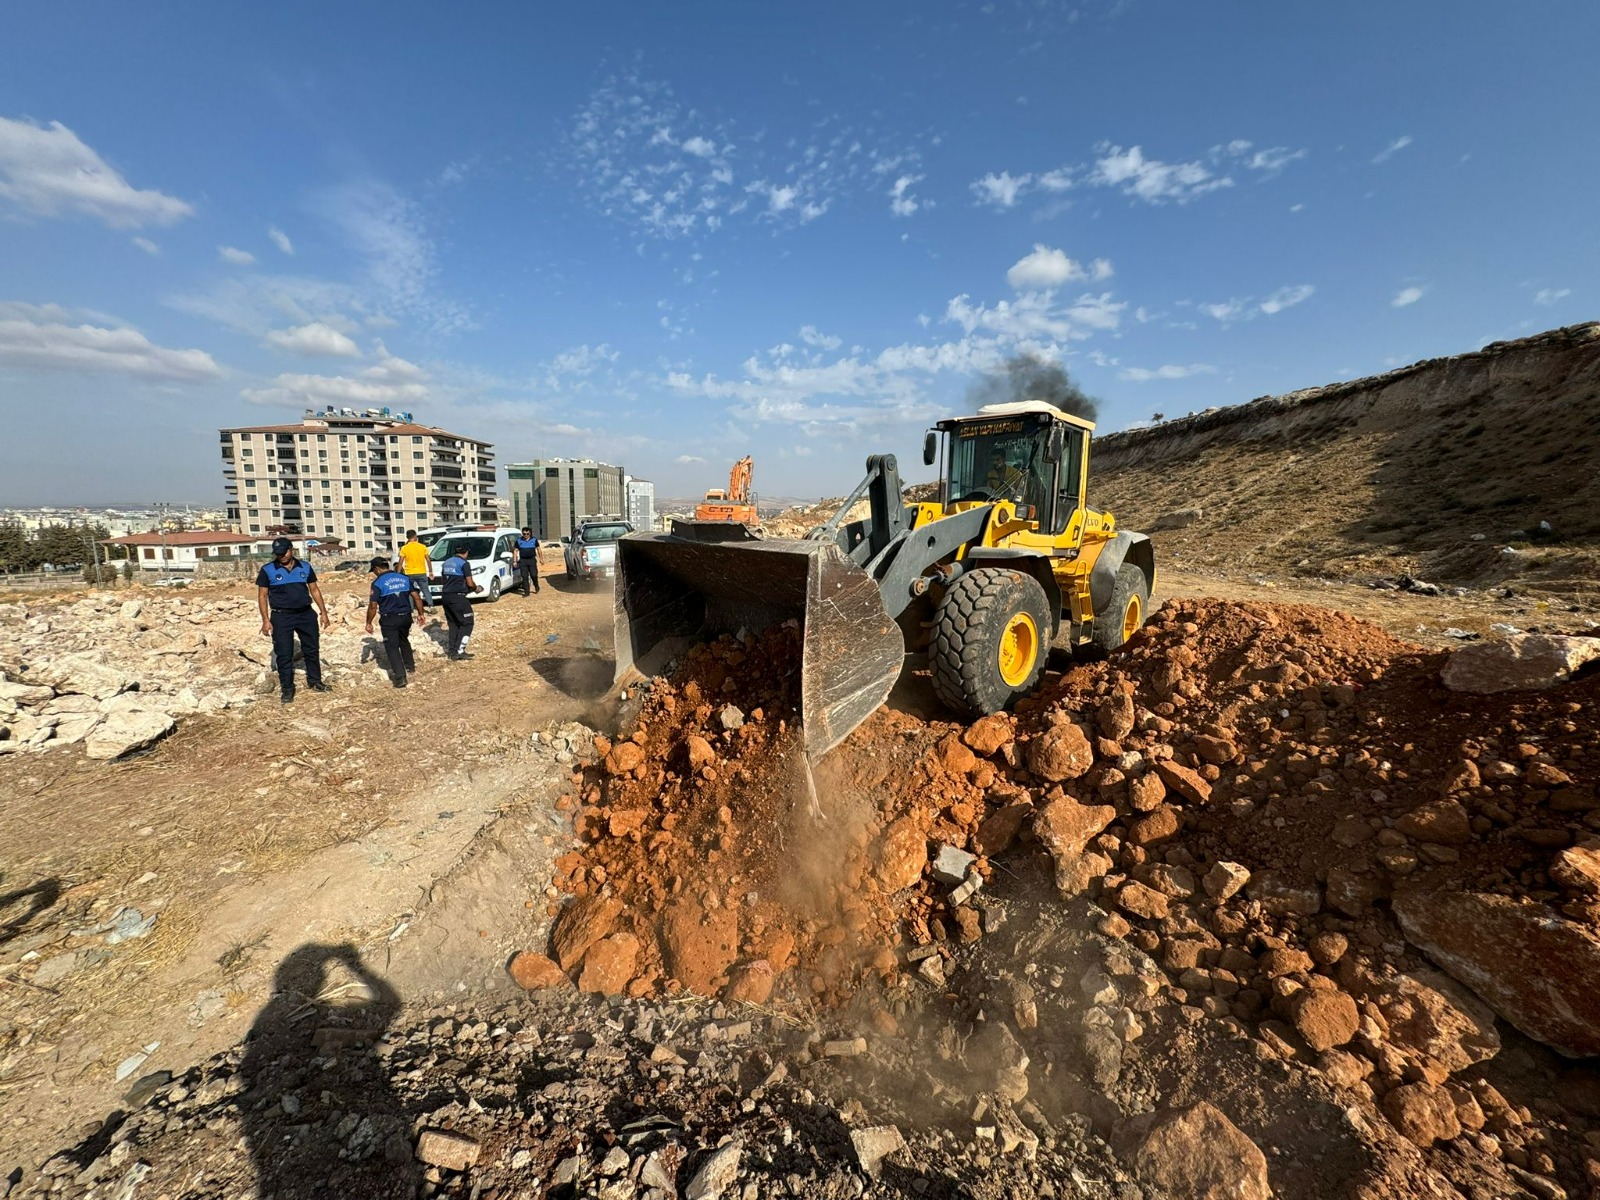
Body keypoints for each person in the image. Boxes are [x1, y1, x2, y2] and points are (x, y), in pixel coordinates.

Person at [256, 537, 331, 703]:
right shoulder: (267, 570)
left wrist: (323, 612)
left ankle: (315, 681)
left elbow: (314, 590)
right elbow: (262, 596)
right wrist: (265, 620)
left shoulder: (305, 567)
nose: (281, 556)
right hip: (281, 617)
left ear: (291, 550)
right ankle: (288, 690)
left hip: (305, 614)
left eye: (284, 552)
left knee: (311, 650)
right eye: (278, 553)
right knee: (284, 654)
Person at [364, 557, 425, 688]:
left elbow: (373, 605)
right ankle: (410, 666)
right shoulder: (404, 578)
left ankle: (400, 677)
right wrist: (421, 614)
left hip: (389, 618)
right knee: (403, 639)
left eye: (373, 571)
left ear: (377, 569)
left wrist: (368, 622)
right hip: (406, 617)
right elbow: (417, 597)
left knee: (392, 647)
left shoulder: (377, 583)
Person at [438, 542, 481, 660]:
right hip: (458, 597)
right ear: (465, 552)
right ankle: (459, 650)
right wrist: (476, 589)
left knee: (454, 624)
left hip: (446, 596)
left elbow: (444, 580)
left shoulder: (446, 563)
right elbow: (470, 583)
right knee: (467, 622)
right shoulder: (464, 564)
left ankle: (452, 651)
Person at [396, 529, 433, 609]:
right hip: (421, 572)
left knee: (410, 591)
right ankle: (431, 605)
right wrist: (430, 571)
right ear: (415, 536)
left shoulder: (404, 548)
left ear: (407, 537)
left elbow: (400, 562)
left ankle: (411, 608)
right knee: (425, 590)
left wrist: (398, 573)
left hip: (409, 573)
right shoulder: (422, 547)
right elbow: (428, 560)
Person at [514, 526, 542, 596]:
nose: (526, 535)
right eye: (524, 534)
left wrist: (541, 559)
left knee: (534, 575)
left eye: (527, 534)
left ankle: (536, 585)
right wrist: (515, 561)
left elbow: (538, 549)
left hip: (531, 560)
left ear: (530, 533)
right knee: (524, 576)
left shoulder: (534, 540)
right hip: (523, 561)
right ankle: (527, 592)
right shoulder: (519, 541)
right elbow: (515, 550)